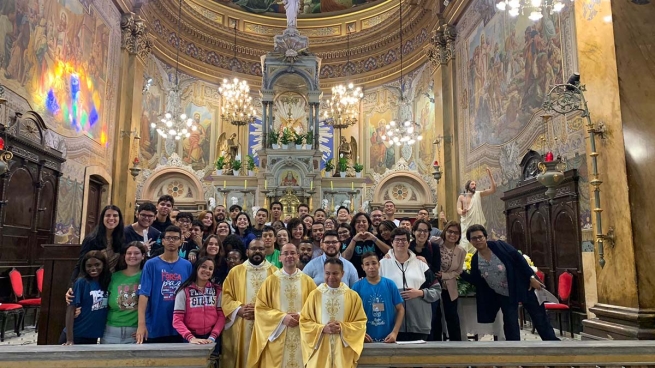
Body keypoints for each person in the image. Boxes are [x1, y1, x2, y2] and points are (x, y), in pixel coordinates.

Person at [461, 224, 559, 341]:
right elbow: (476, 280)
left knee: (539, 318)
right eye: (474, 238)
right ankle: (514, 349)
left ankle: (552, 344)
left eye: (480, 237)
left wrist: (531, 277)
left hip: (522, 286)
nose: (478, 240)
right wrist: (459, 272)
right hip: (503, 295)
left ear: (485, 237)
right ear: (470, 241)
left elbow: (519, 259)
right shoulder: (475, 259)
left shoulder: (499, 246)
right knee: (510, 322)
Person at [247, 243, 317, 368]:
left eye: (292, 253)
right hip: (277, 338)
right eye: (286, 253)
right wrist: (282, 318)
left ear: (298, 256)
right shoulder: (270, 281)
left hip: (302, 338)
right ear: (280, 257)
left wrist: (301, 316)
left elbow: (317, 308)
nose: (289, 256)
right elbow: (260, 309)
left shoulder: (308, 282)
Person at [299, 258, 367, 368]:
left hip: (342, 351)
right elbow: (304, 322)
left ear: (342, 274)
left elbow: (360, 323)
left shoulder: (352, 296)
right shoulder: (314, 295)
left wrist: (342, 328)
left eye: (335, 273)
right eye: (327, 273)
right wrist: (322, 329)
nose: (331, 277)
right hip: (320, 351)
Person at [221, 239, 278, 368]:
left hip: (266, 325)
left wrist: (261, 312)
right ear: (247, 252)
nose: (257, 251)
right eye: (253, 248)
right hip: (242, 322)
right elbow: (225, 296)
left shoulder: (274, 273)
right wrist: (238, 310)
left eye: (261, 249)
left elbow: (279, 301)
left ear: (265, 252)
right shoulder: (235, 272)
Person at [380, 228, 441, 341]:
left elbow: (437, 290)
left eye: (404, 240)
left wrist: (420, 293)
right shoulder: (382, 265)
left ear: (409, 243)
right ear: (391, 242)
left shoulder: (421, 265)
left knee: (418, 358)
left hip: (418, 323)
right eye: (397, 240)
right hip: (391, 325)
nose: (400, 242)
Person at [136, 226, 193, 343]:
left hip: (180, 326)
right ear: (163, 241)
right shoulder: (151, 264)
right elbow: (143, 295)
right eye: (168, 238)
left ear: (181, 241)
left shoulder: (187, 265)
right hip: (155, 325)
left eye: (175, 238)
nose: (171, 241)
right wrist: (141, 325)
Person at [352, 252, 404, 343]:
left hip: (388, 338)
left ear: (379, 264)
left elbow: (400, 309)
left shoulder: (390, 284)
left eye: (374, 263)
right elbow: (350, 314)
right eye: (367, 264)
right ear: (362, 267)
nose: (371, 267)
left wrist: (395, 333)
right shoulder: (357, 287)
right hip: (365, 339)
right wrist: (359, 333)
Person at [61, 251, 111, 345]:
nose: (93, 268)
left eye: (97, 265)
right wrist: (70, 339)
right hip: (77, 334)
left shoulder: (107, 282)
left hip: (93, 336)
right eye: (89, 266)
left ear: (104, 265)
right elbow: (70, 310)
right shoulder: (81, 282)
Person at [173, 257, 226, 346]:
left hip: (212, 337)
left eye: (210, 269)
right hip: (190, 338)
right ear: (197, 268)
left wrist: (213, 336)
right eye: (203, 267)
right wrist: (191, 338)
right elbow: (177, 320)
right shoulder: (183, 291)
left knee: (212, 360)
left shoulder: (217, 290)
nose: (206, 270)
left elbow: (221, 316)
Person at [102, 242, 147, 344]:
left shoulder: (146, 276)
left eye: (136, 253)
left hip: (135, 333)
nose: (132, 256)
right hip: (110, 332)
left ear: (143, 256)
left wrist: (143, 327)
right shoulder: (114, 277)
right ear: (124, 256)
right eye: (129, 253)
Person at [71, 205, 124, 284]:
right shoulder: (91, 239)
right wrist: (72, 285)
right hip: (95, 281)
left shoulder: (121, 238)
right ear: (102, 218)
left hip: (113, 281)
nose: (111, 218)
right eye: (108, 215)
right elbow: (81, 263)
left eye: (115, 215)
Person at [409, 219, 442, 341]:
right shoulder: (407, 246)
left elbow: (437, 271)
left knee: (431, 321)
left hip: (429, 289)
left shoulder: (434, 247)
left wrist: (425, 262)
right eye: (419, 230)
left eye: (425, 231)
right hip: (412, 289)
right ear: (413, 231)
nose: (422, 233)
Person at [433, 221, 465, 341]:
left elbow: (458, 271)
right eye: (450, 231)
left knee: (452, 316)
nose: (453, 234)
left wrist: (444, 275)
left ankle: (456, 343)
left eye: (456, 233)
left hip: (450, 286)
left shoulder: (461, 251)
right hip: (433, 285)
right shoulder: (436, 243)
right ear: (445, 232)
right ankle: (436, 342)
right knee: (436, 316)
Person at [457, 168, 496, 252]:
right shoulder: (462, 197)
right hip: (466, 223)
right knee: (465, 242)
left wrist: (491, 176)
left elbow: (493, 190)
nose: (474, 186)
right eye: (472, 184)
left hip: (477, 222)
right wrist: (462, 211)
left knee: (478, 240)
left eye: (475, 184)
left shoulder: (478, 194)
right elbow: (458, 209)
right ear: (468, 186)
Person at [342, 212, 391, 277]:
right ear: (354, 225)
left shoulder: (377, 238)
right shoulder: (348, 240)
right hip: (355, 276)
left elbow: (390, 252)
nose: (361, 223)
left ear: (369, 224)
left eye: (364, 221)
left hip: (377, 275)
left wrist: (373, 238)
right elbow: (345, 258)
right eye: (358, 222)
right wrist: (354, 240)